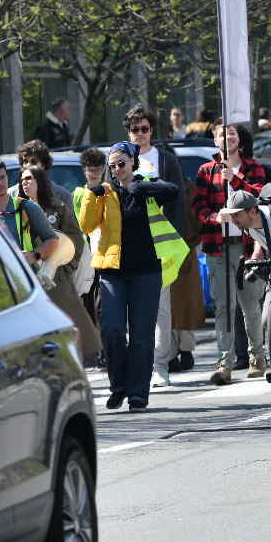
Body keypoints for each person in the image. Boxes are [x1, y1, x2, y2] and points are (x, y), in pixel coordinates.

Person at [83, 141, 185, 411]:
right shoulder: (103, 192)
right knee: (113, 330)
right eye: (112, 165)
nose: (117, 169)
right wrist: (92, 197)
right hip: (111, 272)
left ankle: (138, 392)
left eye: (122, 164)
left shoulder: (146, 184)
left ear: (133, 163)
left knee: (141, 335)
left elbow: (173, 191)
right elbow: (86, 224)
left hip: (146, 272)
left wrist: (137, 186)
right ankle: (119, 387)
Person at [190, 123, 268, 385]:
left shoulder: (252, 167)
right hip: (217, 245)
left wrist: (233, 179)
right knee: (223, 305)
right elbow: (198, 207)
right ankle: (225, 361)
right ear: (215, 141)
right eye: (222, 134)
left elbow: (259, 196)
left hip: (248, 246)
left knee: (250, 304)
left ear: (239, 140)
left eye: (232, 133)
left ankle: (258, 356)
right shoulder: (205, 170)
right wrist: (215, 217)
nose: (227, 138)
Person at [123, 105, 194, 385]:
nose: (140, 134)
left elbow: (178, 202)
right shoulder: (119, 160)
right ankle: (138, 364)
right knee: (132, 310)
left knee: (160, 308)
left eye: (144, 128)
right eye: (134, 130)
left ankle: (160, 365)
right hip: (129, 245)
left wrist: (174, 240)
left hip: (159, 244)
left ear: (151, 130)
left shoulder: (165, 160)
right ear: (128, 132)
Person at [15, 162, 99, 362]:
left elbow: (76, 240)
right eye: (22, 180)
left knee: (66, 322)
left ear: (40, 182)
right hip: (27, 278)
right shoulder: (16, 210)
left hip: (57, 278)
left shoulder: (57, 208)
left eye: (29, 179)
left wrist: (67, 267)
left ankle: (77, 360)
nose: (25, 183)